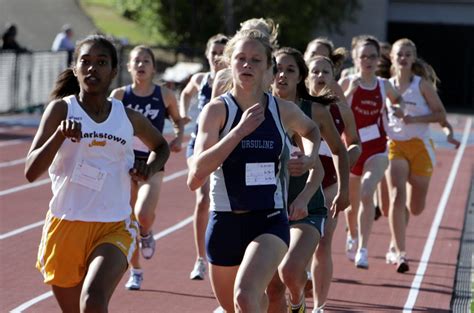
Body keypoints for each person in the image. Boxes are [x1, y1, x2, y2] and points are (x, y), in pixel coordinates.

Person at [24, 35, 170, 312]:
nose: (93, 69)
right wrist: (59, 135)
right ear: (75, 68)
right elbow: (31, 171)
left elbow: (160, 145)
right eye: (86, 62)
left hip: (113, 225)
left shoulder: (127, 116)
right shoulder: (60, 110)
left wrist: (148, 168)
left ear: (114, 72)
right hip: (66, 225)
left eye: (101, 63)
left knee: (92, 299)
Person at [187, 29, 320, 312]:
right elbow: (196, 172)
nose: (247, 65)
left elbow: (311, 130)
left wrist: (309, 158)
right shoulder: (216, 112)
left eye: (256, 60)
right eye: (241, 58)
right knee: (241, 306)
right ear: (229, 64)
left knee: (245, 297)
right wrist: (238, 132)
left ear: (268, 69)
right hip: (224, 222)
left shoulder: (281, 110)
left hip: (269, 219)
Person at [267, 47, 349, 313]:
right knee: (270, 289)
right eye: (277, 68)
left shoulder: (314, 112)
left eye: (290, 70)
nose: (282, 75)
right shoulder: (258, 111)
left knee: (290, 270)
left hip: (308, 207)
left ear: (301, 76)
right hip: (267, 208)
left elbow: (336, 153)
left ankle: (298, 300)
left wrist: (344, 190)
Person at [110, 45, 184, 290]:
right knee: (128, 219)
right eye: (136, 61)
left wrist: (178, 137)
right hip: (125, 164)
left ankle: (147, 232)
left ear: (153, 68)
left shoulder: (164, 95)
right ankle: (136, 270)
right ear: (129, 67)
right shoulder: (120, 96)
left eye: (146, 61)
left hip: (153, 161)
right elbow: (105, 123)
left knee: (143, 215)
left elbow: (177, 119)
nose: (141, 65)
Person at [384, 38, 459, 273]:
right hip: (395, 145)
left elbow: (440, 114)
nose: (403, 58)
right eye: (399, 54)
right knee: (396, 195)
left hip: (421, 147)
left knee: (415, 207)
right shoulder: (385, 85)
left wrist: (414, 119)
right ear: (392, 59)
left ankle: (400, 235)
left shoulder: (421, 85)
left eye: (408, 54)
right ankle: (399, 252)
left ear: (413, 58)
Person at [339, 35, 405, 269]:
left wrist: (397, 109)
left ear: (379, 59)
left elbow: (398, 101)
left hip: (377, 148)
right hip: (351, 149)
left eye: (373, 56)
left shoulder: (383, 85)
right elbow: (335, 109)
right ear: (355, 58)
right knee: (351, 202)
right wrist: (350, 92)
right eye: (363, 56)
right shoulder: (347, 80)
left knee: (368, 191)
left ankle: (363, 249)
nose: (368, 60)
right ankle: (353, 234)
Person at [306, 54, 361, 310]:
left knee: (324, 242)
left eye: (325, 72)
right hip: (299, 182)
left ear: (333, 77)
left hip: (329, 181)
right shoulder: (295, 106)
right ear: (307, 76)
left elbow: (356, 143)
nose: (319, 76)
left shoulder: (341, 108)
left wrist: (346, 158)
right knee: (295, 242)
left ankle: (319, 305)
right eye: (315, 71)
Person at [179, 34, 229, 280]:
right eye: (214, 53)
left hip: (225, 145)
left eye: (223, 53)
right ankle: (200, 258)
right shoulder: (200, 79)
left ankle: (223, 255)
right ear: (207, 55)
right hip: (198, 145)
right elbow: (185, 94)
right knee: (202, 197)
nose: (218, 57)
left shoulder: (231, 80)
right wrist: (182, 115)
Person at [211, 17, 279, 98]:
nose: (253, 39)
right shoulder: (222, 78)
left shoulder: (278, 73)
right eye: (247, 33)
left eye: (259, 35)